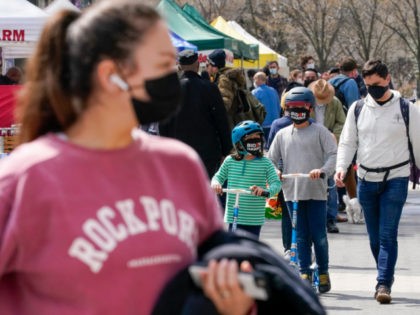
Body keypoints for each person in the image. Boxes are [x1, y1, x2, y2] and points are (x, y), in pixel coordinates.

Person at [0, 2, 256, 314]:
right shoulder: (26, 181)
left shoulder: (180, 166)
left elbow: (210, 277)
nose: (173, 78)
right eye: (163, 65)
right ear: (111, 74)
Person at [334, 59, 420, 304]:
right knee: (374, 237)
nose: (374, 89)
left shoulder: (406, 108)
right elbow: (348, 142)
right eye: (369, 85)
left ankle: (383, 283)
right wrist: (341, 168)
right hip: (366, 179)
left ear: (388, 78)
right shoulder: (358, 108)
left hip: (396, 177)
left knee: (387, 234)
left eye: (378, 84)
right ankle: (385, 274)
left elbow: (419, 143)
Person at [268, 87, 337, 294]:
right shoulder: (282, 134)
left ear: (310, 108)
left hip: (315, 190)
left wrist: (322, 170)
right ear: (286, 109)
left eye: (301, 107)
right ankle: (304, 271)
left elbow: (333, 155)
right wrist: (276, 172)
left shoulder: (320, 132)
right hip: (292, 192)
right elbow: (270, 160)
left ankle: (323, 271)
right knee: (300, 235)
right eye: (292, 108)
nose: (297, 111)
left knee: (319, 235)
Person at [159, 49, 232, 178]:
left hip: (178, 152)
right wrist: (226, 150)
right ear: (198, 65)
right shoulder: (210, 88)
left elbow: (163, 124)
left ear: (179, 66)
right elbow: (221, 121)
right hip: (207, 154)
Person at [211, 120, 281, 239]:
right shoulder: (230, 161)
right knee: (233, 248)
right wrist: (216, 184)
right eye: (250, 138)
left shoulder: (265, 163)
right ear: (239, 143)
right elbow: (218, 177)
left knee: (250, 251)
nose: (255, 141)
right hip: (234, 215)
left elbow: (276, 184)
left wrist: (265, 191)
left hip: (254, 217)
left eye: (257, 137)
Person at [308, 79, 347, 233]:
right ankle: (313, 218)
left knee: (330, 184)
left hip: (329, 146)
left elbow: (341, 122)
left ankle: (330, 218)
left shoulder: (335, 103)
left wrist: (333, 136)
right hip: (310, 145)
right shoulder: (307, 101)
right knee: (311, 181)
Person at [251, 71, 281, 146]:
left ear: (257, 80)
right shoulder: (273, 90)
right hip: (275, 122)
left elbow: (253, 109)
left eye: (254, 79)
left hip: (263, 123)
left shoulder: (255, 92)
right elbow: (278, 105)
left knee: (265, 147)